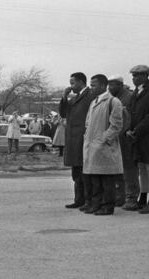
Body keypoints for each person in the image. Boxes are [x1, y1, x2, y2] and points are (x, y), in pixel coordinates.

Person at [83, 74, 123, 215]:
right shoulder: (94, 102)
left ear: (102, 85)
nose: (91, 88)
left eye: (94, 85)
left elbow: (116, 125)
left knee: (107, 179)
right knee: (95, 179)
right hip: (92, 146)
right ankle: (96, 204)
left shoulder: (113, 101)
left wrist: (103, 139)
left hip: (104, 147)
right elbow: (88, 123)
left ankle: (107, 206)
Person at [126, 65, 149, 214]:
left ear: (145, 76)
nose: (134, 78)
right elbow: (131, 113)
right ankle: (143, 198)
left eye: (136, 76)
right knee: (142, 168)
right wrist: (129, 129)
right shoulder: (136, 92)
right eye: (133, 76)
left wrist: (137, 130)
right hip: (138, 136)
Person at [60, 72, 95, 211]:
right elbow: (63, 113)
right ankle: (79, 199)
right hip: (73, 139)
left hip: (82, 138)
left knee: (84, 171)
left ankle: (87, 199)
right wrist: (64, 97)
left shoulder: (90, 95)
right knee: (76, 171)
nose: (71, 86)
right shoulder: (75, 98)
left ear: (81, 82)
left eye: (73, 83)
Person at [108, 75, 137, 208]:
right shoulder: (112, 98)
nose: (110, 87)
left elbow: (129, 118)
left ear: (120, 84)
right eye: (109, 84)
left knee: (128, 168)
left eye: (112, 84)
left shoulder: (129, 97)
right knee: (117, 169)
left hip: (126, 138)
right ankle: (120, 195)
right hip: (116, 138)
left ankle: (131, 196)